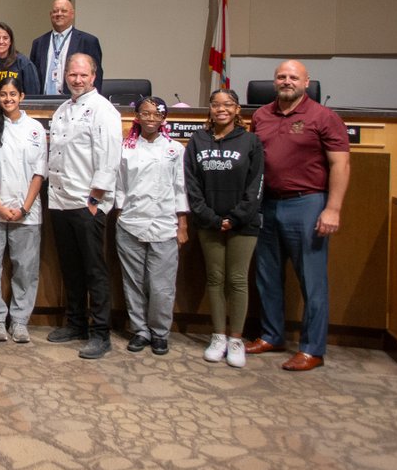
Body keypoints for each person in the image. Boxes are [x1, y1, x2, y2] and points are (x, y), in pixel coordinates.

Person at [247, 60, 350, 372]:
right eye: (281, 76)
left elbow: (340, 164)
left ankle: (312, 349)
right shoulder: (261, 116)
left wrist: (333, 208)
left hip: (307, 204)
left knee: (312, 281)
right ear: (274, 82)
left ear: (307, 82)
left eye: (293, 77)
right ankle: (272, 335)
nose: (286, 81)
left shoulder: (324, 117)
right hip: (268, 204)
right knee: (267, 275)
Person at [45, 53, 121, 359]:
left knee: (93, 270)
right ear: (65, 76)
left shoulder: (104, 110)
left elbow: (109, 158)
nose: (77, 80)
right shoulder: (62, 109)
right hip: (60, 201)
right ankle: (76, 323)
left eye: (83, 75)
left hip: (86, 202)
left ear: (93, 76)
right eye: (72, 75)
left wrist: (95, 200)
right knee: (71, 267)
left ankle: (101, 333)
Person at [185, 88, 263, 369]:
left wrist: (235, 217)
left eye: (228, 104)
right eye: (216, 104)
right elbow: (192, 184)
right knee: (215, 278)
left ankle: (236, 339)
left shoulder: (251, 141)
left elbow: (256, 185)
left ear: (237, 109)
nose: (221, 109)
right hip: (209, 223)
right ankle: (218, 336)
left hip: (244, 223)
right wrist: (211, 218)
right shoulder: (198, 140)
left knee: (238, 279)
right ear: (209, 108)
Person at [110, 96, 188, 356]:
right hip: (131, 223)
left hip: (164, 224)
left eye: (157, 114)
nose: (151, 118)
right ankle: (140, 330)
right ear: (137, 116)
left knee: (161, 285)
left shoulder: (175, 149)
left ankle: (160, 332)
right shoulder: (126, 148)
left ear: (164, 118)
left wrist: (182, 224)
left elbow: (180, 188)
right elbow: (120, 186)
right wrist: (120, 215)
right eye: (145, 113)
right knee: (133, 281)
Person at [0, 76, 46, 343]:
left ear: (22, 96)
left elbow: (39, 173)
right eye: (4, 94)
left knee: (25, 268)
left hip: (27, 212)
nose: (8, 99)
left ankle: (19, 321)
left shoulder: (35, 129)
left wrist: (24, 208)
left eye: (13, 94)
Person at [29, 0, 104, 95]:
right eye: (55, 11)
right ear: (50, 15)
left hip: (76, 99)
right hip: (44, 100)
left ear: (72, 14)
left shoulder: (88, 41)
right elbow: (33, 77)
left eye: (64, 11)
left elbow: (96, 75)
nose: (59, 14)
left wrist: (93, 100)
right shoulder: (39, 43)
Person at [0, 21, 40, 103]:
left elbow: (33, 97)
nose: (1, 41)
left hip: (16, 110)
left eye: (5, 38)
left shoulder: (23, 63)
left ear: (10, 42)